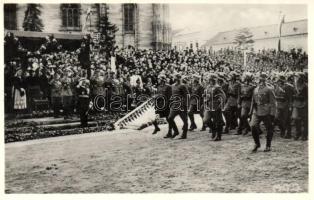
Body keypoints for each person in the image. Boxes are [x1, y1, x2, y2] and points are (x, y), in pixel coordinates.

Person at [250, 72, 276, 152]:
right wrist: (251, 111)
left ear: (264, 79)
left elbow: (273, 102)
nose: (259, 80)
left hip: (266, 111)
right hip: (257, 111)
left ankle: (268, 145)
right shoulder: (255, 89)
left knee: (269, 128)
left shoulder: (269, 89)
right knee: (253, 126)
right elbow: (253, 101)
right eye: (258, 78)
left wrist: (272, 114)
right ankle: (257, 143)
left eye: (260, 78)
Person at [203, 73, 226, 141]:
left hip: (216, 105)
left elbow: (223, 96)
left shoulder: (217, 87)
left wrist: (221, 104)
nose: (210, 80)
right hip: (209, 105)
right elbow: (205, 95)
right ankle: (214, 130)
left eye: (211, 79)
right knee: (206, 120)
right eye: (209, 79)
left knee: (218, 121)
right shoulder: (208, 87)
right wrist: (205, 99)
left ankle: (218, 135)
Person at [168, 72, 189, 139]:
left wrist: (186, 105)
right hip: (175, 105)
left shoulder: (183, 86)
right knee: (170, 118)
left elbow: (187, 95)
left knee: (185, 121)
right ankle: (176, 131)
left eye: (179, 78)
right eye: (176, 77)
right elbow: (172, 95)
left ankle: (184, 134)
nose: (177, 79)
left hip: (182, 105)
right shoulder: (173, 86)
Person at [273, 74, 291, 138]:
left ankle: (287, 133)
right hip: (278, 104)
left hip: (285, 104)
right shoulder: (277, 87)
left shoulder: (287, 87)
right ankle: (282, 130)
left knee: (286, 119)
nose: (278, 82)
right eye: (278, 81)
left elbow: (289, 98)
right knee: (277, 118)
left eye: (279, 81)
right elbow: (275, 94)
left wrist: (289, 106)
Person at [292, 73, 308, 141]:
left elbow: (305, 97)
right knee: (296, 120)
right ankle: (298, 133)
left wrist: (296, 97)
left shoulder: (305, 86)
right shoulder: (296, 85)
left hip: (303, 105)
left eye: (298, 77)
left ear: (301, 78)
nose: (296, 78)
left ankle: (304, 135)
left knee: (305, 121)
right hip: (296, 104)